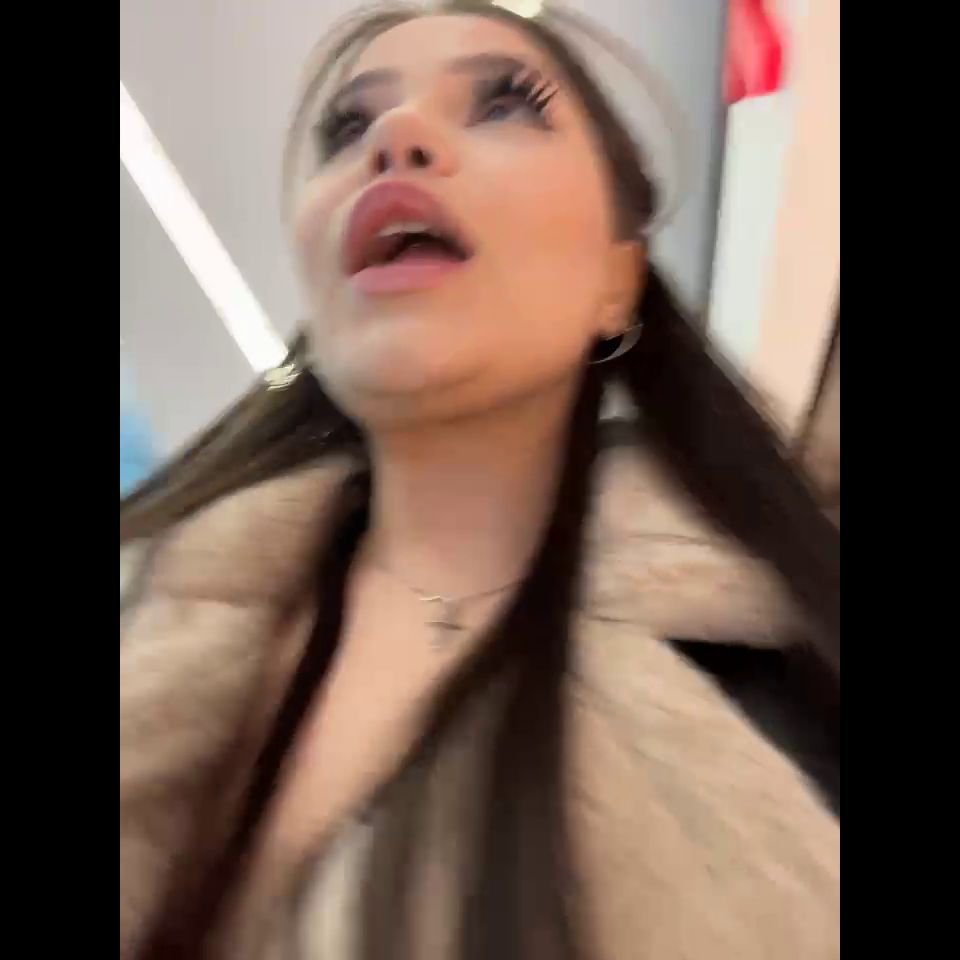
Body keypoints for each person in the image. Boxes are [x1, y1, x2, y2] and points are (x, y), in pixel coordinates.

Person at [119, 3, 840, 958]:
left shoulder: (784, 688)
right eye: (348, 127)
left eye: (505, 105)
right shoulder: (145, 609)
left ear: (619, 279)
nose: (395, 135)